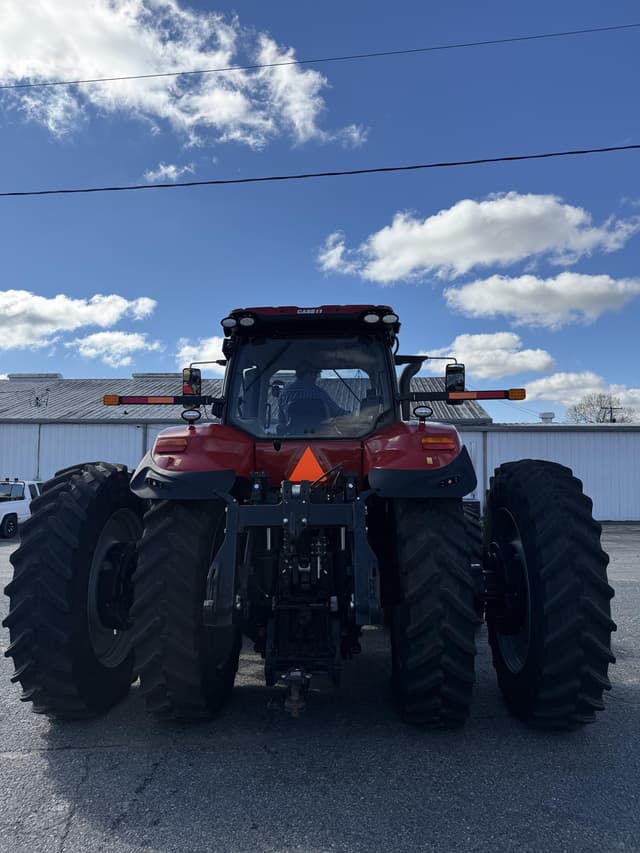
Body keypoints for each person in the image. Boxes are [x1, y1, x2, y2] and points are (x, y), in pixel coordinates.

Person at [279, 363, 347, 428]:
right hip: (318, 435)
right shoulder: (318, 393)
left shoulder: (284, 392)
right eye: (314, 373)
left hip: (292, 436)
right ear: (306, 374)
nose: (316, 377)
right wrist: (352, 415)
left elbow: (281, 419)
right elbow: (336, 411)